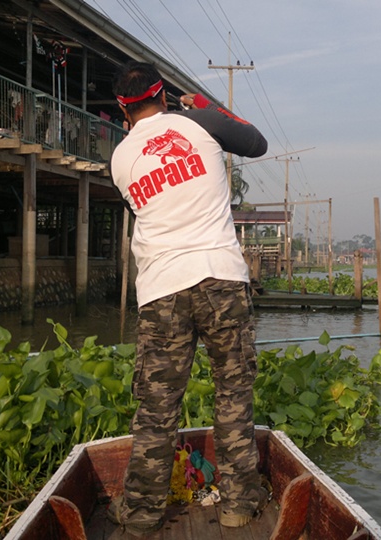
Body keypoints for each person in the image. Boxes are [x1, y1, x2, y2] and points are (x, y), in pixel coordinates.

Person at [106, 61, 270, 536]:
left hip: (161, 289)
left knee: (156, 409)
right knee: (233, 395)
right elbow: (256, 144)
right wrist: (207, 107)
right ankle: (238, 505)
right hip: (221, 277)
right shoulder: (199, 122)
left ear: (123, 107)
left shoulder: (119, 158)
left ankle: (141, 514)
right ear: (165, 93)